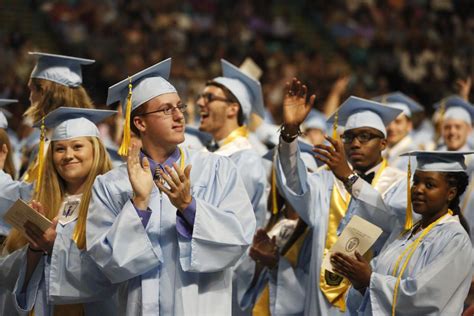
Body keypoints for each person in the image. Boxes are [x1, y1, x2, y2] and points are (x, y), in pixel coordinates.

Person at [86, 58, 256, 315]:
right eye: (166, 110)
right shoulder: (112, 185)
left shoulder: (216, 170)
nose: (180, 116)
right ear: (140, 123)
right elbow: (106, 262)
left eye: (179, 106)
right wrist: (139, 205)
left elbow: (240, 238)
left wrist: (189, 207)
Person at [275, 78, 406, 315]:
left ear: (384, 143)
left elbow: (389, 225)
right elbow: (294, 184)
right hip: (322, 302)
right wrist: (290, 134)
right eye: (349, 136)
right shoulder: (325, 180)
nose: (355, 143)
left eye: (366, 136)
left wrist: (349, 178)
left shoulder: (399, 184)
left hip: (372, 297)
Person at [0, 107, 118, 315]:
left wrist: (55, 246)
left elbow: (114, 267)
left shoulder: (112, 202)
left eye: (77, 146)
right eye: (60, 149)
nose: (68, 155)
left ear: (95, 150)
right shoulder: (41, 200)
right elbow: (10, 276)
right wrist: (35, 249)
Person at [332, 151, 474, 315]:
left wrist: (369, 279)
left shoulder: (455, 239)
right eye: (416, 182)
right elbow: (374, 281)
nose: (418, 189)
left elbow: (422, 296)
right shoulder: (406, 234)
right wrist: (359, 282)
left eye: (429, 185)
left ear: (451, 193)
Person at [197, 59, 268, 228]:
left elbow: (229, 226)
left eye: (209, 97)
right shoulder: (208, 151)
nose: (200, 102)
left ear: (232, 109)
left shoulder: (246, 161)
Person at [21, 52, 96, 182]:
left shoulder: (51, 148)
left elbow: (28, 194)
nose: (29, 97)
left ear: (44, 92)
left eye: (32, 90)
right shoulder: (90, 137)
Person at [372, 92, 424, 170]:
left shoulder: (413, 157)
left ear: (409, 125)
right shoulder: (381, 152)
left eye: (398, 122)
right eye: (387, 122)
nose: (392, 128)